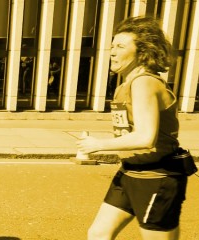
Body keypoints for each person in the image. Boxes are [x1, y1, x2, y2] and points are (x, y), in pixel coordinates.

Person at [77, 17, 187, 240]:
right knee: (98, 234)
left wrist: (98, 145)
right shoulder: (128, 84)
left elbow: (146, 137)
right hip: (130, 173)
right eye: (112, 45)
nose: (112, 52)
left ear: (142, 52)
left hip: (156, 178)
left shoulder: (144, 83)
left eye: (120, 46)